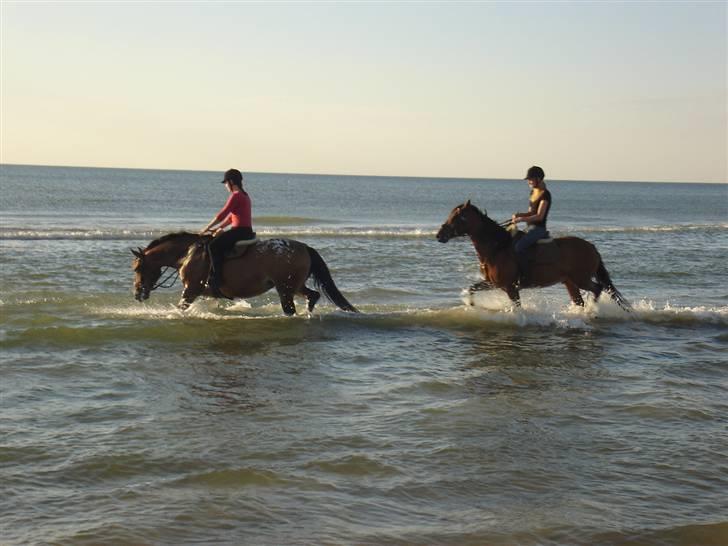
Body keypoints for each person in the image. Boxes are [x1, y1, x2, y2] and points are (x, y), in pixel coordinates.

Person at [201, 168, 255, 295]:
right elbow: (231, 217)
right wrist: (219, 228)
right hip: (244, 230)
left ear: (231, 182)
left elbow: (223, 213)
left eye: (225, 183)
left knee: (212, 246)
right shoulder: (244, 195)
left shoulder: (235, 196)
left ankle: (216, 280)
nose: (225, 186)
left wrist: (206, 228)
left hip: (240, 231)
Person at [511, 165, 552, 284]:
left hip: (539, 229)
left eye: (531, 179)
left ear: (538, 179)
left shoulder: (545, 194)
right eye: (528, 179)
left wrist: (521, 219)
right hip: (529, 228)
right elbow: (531, 212)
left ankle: (525, 277)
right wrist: (519, 215)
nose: (529, 181)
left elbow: (539, 216)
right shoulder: (533, 193)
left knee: (519, 247)